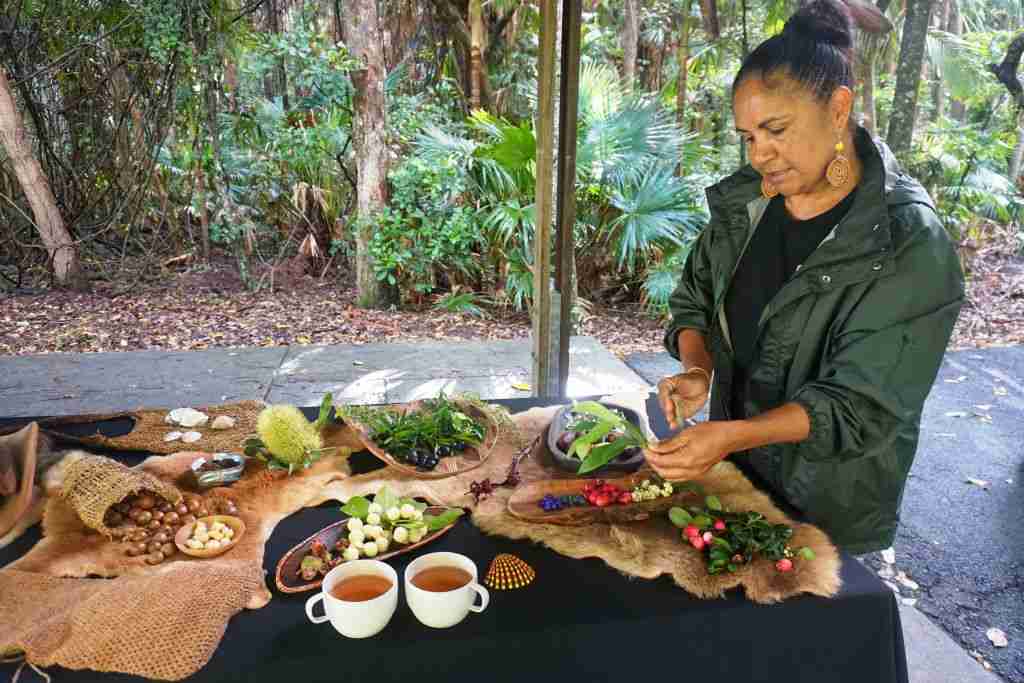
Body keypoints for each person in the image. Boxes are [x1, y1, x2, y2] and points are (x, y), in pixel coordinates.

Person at [645, 0, 965, 554]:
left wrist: (733, 436)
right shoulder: (749, 201)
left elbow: (861, 404)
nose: (760, 153)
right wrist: (699, 369)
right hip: (733, 483)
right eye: (748, 136)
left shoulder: (907, 240)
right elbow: (694, 300)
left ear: (838, 108)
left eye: (776, 129)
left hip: (824, 503)